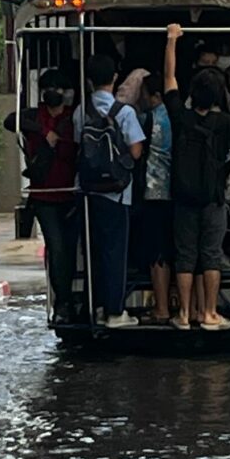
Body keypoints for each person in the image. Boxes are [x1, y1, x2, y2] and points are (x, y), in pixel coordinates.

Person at [164, 23, 230, 331]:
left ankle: (183, 316)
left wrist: (172, 41)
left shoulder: (180, 117)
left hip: (182, 199)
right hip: (213, 200)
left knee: (185, 256)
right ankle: (209, 314)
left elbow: (169, 78)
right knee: (211, 257)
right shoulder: (227, 124)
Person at [74, 55, 145, 329]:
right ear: (114, 78)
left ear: (89, 79)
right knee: (115, 252)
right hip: (116, 194)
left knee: (93, 252)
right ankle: (116, 312)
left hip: (87, 192)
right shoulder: (124, 112)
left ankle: (98, 307)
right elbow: (136, 151)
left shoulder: (81, 111)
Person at [5, 68, 78, 324]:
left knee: (69, 250)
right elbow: (10, 120)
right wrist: (42, 132)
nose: (54, 93)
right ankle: (63, 304)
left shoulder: (74, 118)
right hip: (44, 196)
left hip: (72, 195)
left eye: (59, 88)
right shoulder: (34, 116)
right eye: (50, 88)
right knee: (57, 248)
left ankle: (72, 301)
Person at [138, 72, 174, 324]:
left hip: (153, 192)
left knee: (157, 252)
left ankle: (161, 308)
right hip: (179, 192)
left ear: (156, 96)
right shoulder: (181, 117)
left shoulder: (146, 120)